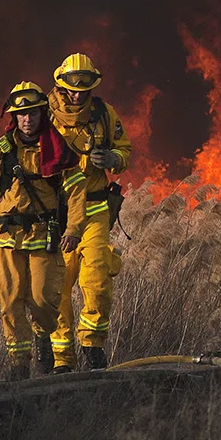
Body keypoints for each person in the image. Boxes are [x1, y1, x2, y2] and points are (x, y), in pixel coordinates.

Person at [0, 82, 87, 379]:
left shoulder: (57, 150)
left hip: (45, 235)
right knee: (11, 301)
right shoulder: (1, 151)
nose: (27, 119)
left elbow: (77, 192)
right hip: (6, 237)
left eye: (32, 113)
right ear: (13, 118)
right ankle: (19, 365)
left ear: (42, 114)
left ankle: (43, 338)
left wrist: (75, 228)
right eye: (21, 114)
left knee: (43, 300)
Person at [42, 52, 132, 372]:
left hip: (95, 209)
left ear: (93, 84)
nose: (78, 91)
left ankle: (92, 346)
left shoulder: (105, 115)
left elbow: (125, 149)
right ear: (61, 84)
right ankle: (61, 359)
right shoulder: (45, 116)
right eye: (72, 84)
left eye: (84, 84)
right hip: (60, 215)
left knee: (96, 280)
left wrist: (112, 159)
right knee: (59, 287)